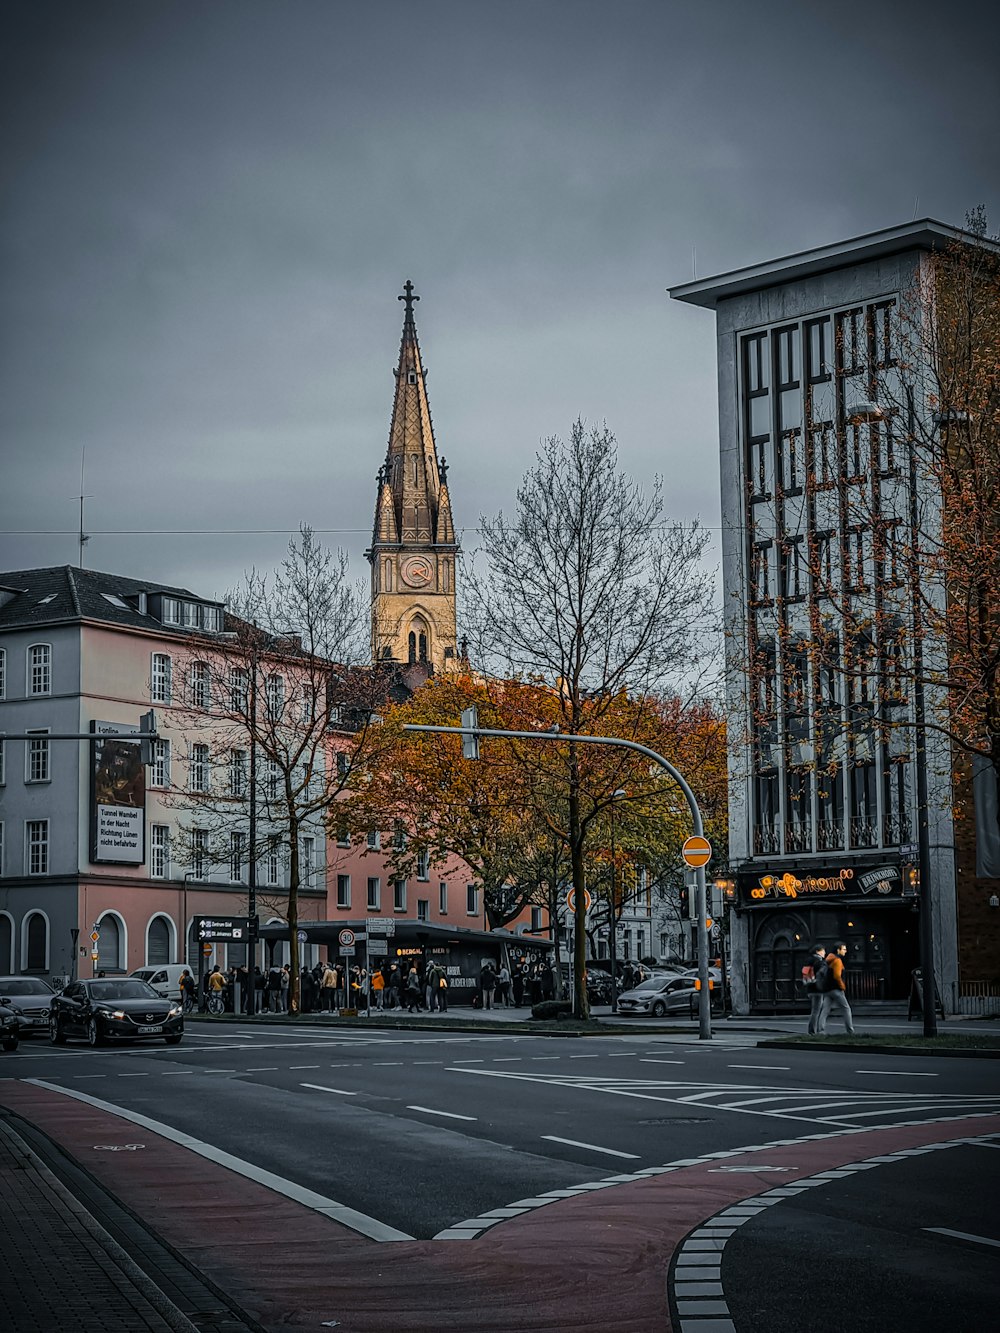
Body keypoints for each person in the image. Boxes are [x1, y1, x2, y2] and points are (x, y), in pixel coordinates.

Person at [817, 942, 856, 1035]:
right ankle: (850, 1031)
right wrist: (842, 986)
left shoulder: (828, 959)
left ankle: (820, 1030)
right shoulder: (837, 960)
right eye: (844, 949)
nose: (846, 951)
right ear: (838, 950)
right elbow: (837, 976)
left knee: (825, 1010)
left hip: (827, 989)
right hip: (836, 989)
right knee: (846, 1008)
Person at [802, 943, 827, 1035]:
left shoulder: (808, 961)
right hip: (818, 989)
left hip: (809, 988)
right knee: (816, 1011)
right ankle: (812, 1031)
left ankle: (813, 1030)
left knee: (815, 1010)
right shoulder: (819, 962)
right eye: (823, 951)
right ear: (818, 951)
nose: (824, 953)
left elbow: (804, 974)